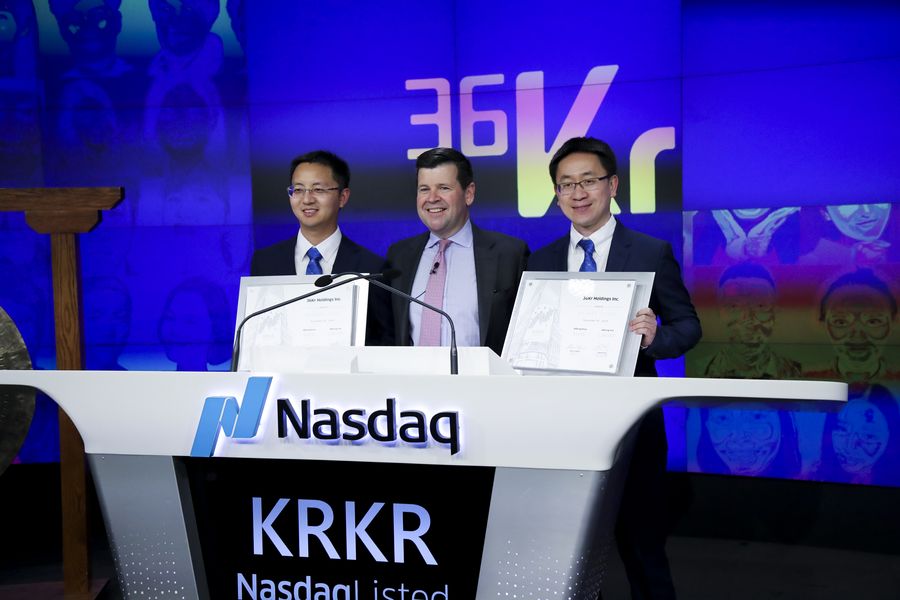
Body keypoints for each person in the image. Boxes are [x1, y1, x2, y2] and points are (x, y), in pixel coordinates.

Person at [527, 137, 701, 600]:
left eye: (588, 181)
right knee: (567, 552)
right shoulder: (540, 261)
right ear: (556, 194)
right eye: (566, 184)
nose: (578, 193)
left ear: (613, 185)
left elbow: (688, 326)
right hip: (561, 426)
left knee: (642, 547)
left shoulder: (649, 252)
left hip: (631, 426)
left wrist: (656, 337)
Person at [385, 147, 529, 356]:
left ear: (468, 194)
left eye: (443, 188)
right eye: (424, 189)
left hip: (483, 376)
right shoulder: (399, 256)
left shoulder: (509, 254)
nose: (432, 198)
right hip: (414, 376)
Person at [251, 150, 390, 344]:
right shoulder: (265, 262)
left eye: (318, 190)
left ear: (342, 197)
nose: (307, 199)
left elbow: (384, 340)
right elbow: (256, 334)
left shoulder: (371, 267)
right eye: (298, 190)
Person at [703, 263, 801, 379]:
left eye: (760, 306)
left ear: (775, 313)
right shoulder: (699, 372)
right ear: (719, 313)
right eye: (734, 307)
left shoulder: (795, 373)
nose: (749, 323)